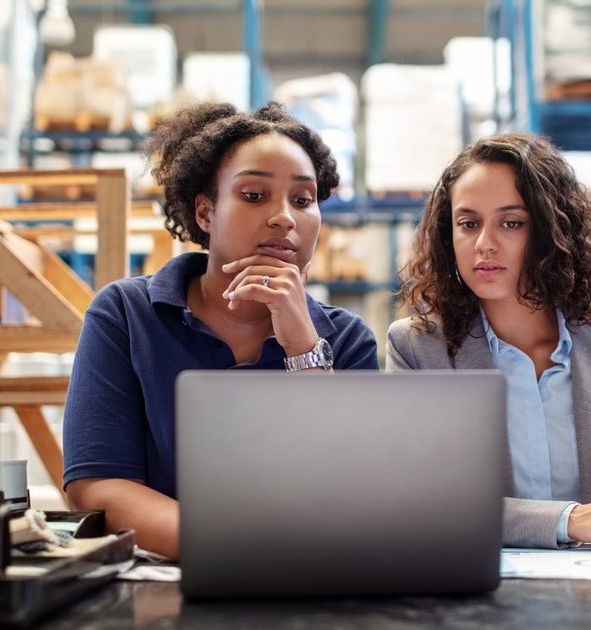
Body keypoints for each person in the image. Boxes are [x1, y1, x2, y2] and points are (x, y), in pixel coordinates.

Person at [62, 103, 380, 559]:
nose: (284, 218)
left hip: (308, 585)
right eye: (254, 195)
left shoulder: (346, 340)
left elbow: (353, 493)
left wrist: (303, 348)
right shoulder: (125, 315)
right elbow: (97, 484)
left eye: (303, 199)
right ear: (206, 213)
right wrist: (234, 547)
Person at [386, 133, 591, 551]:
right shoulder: (417, 348)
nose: (484, 242)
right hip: (481, 596)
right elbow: (421, 505)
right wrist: (570, 520)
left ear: (551, 230)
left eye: (511, 222)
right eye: (468, 223)